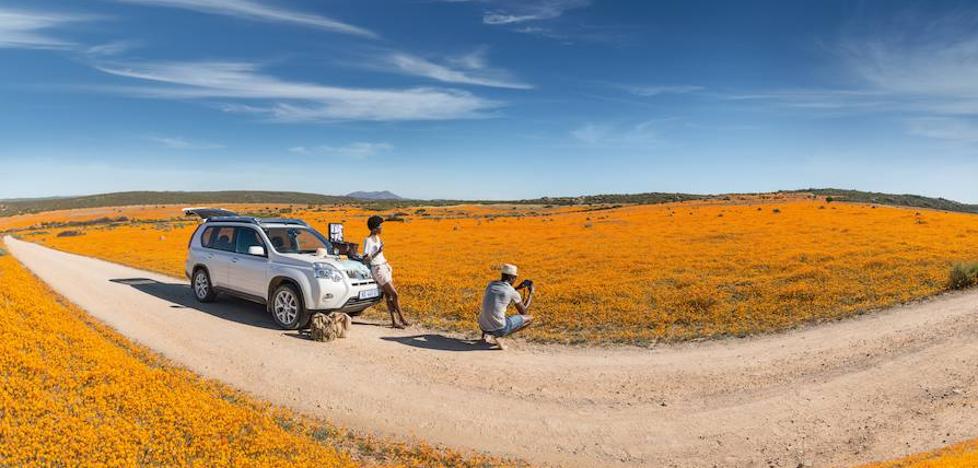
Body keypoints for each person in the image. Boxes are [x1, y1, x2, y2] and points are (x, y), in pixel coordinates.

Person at [362, 215, 411, 328]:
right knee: (395, 294)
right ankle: (402, 318)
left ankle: (394, 322)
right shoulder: (368, 240)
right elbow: (365, 259)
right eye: (380, 226)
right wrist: (378, 252)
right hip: (378, 269)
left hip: (384, 266)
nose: (381, 228)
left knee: (389, 295)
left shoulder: (377, 238)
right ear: (374, 228)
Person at [478, 264, 534, 350]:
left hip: (482, 326)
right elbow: (524, 312)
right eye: (515, 278)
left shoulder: (491, 284)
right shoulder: (512, 292)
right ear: (512, 278)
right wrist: (531, 294)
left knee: (490, 312)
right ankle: (500, 336)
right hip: (499, 328)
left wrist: (518, 287)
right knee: (530, 318)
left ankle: (486, 335)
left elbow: (503, 293)